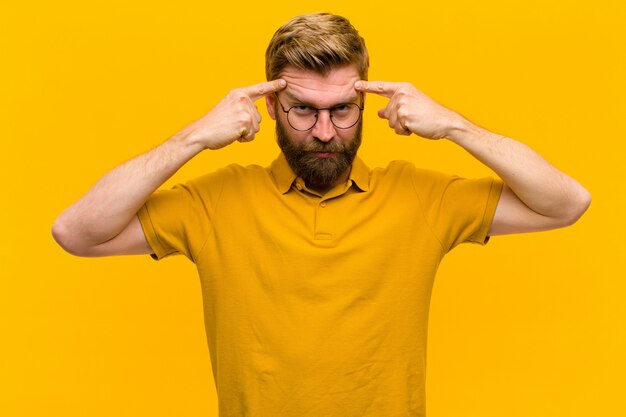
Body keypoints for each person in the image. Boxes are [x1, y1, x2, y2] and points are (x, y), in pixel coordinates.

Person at [52, 12, 590, 417]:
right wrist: (193, 137)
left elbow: (567, 203)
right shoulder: (214, 202)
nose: (325, 131)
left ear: (366, 105)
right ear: (271, 108)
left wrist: (455, 127)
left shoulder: (424, 198)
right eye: (304, 109)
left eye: (342, 110)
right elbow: (75, 232)